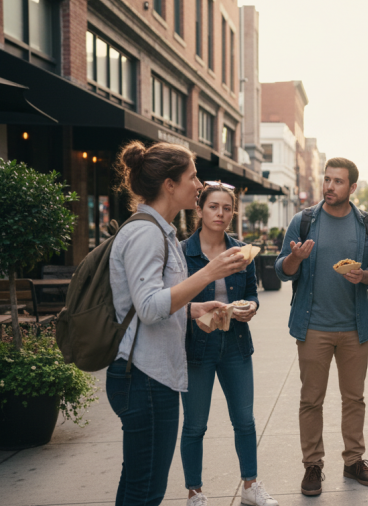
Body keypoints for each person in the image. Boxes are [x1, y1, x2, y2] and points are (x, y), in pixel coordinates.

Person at [107, 141, 249, 506]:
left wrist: (194, 309)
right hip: (145, 377)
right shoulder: (145, 234)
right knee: (146, 490)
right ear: (169, 185)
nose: (199, 184)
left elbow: (153, 304)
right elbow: (150, 307)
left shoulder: (161, 232)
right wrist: (209, 273)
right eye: (192, 176)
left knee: (138, 483)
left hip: (154, 376)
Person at [274, 157, 368, 497]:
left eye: (338, 181)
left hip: (354, 327)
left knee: (354, 398)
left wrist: (365, 276)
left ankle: (354, 461)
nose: (329, 186)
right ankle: (313, 465)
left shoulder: (366, 224)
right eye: (327, 179)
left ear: (353, 187)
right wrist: (296, 257)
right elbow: (282, 269)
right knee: (311, 399)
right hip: (314, 327)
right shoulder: (304, 221)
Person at [179, 183, 278, 506]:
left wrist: (251, 306)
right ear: (200, 210)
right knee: (195, 425)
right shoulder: (183, 252)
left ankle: (250, 486)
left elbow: (251, 291)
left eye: (226, 208)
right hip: (197, 346)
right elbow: (173, 299)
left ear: (233, 212)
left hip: (235, 343)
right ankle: (194, 492)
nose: (220, 213)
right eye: (213, 207)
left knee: (245, 420)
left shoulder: (241, 252)